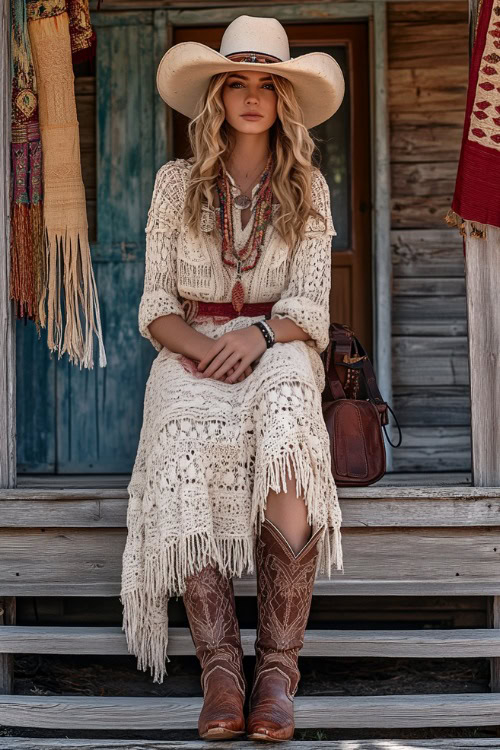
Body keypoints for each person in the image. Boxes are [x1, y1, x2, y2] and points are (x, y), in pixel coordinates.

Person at [120, 14, 345, 742]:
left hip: (277, 341)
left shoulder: (307, 185)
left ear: (284, 100)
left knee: (284, 413)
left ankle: (277, 670)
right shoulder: (174, 183)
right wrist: (200, 345)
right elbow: (155, 303)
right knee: (178, 418)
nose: (252, 96)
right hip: (194, 343)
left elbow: (310, 306)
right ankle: (221, 669)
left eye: (267, 85)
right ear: (217, 97)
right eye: (237, 83)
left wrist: (255, 336)